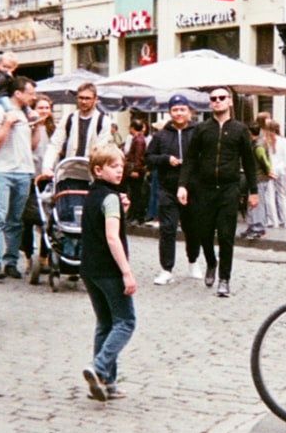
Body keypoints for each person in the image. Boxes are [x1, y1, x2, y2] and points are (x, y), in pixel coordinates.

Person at [178, 86, 258, 298]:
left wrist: (253, 191)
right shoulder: (202, 129)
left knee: (225, 235)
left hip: (229, 189)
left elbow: (249, 162)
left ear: (230, 101)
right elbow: (191, 159)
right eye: (213, 98)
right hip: (204, 189)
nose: (218, 101)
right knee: (204, 232)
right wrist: (182, 185)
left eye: (222, 98)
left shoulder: (240, 129)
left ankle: (224, 278)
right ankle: (211, 262)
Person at [79, 143, 136, 403]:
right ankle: (99, 367)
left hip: (89, 268)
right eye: (114, 167)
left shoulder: (92, 195)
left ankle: (107, 384)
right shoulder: (111, 198)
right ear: (98, 170)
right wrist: (126, 272)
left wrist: (122, 212)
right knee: (125, 322)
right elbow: (112, 238)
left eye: (122, 166)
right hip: (108, 269)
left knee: (105, 323)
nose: (120, 171)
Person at [0, 73, 37, 281]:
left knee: (15, 220)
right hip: (2, 172)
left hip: (24, 171)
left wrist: (37, 126)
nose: (34, 97)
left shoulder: (25, 113)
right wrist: (7, 124)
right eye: (30, 93)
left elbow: (30, 145)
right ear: (17, 93)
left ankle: (11, 262)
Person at [146, 94, 198, 285]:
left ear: (189, 111)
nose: (179, 113)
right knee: (167, 229)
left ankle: (193, 261)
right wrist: (166, 159)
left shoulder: (197, 132)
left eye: (182, 109)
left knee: (192, 229)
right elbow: (149, 158)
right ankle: (166, 269)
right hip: (167, 188)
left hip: (193, 189)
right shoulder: (161, 135)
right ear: (169, 113)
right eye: (175, 110)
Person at [41, 82, 108, 176]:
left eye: (87, 98)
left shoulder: (103, 121)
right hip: (70, 171)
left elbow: (100, 149)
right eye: (81, 98)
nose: (83, 101)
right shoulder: (68, 118)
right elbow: (55, 144)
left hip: (91, 174)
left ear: (95, 99)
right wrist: (47, 166)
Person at [23, 95, 56, 280]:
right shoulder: (28, 128)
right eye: (41, 108)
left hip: (48, 177)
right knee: (28, 219)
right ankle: (29, 256)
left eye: (47, 107)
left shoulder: (55, 129)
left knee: (47, 219)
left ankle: (44, 256)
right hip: (32, 176)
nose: (44, 111)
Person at [244, 119, 272, 240]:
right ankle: (252, 225)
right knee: (253, 202)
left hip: (259, 177)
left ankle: (258, 227)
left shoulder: (258, 145)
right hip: (257, 177)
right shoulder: (258, 143)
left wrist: (268, 171)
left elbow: (264, 161)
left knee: (257, 203)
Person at [266, 120, 286, 229]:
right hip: (282, 171)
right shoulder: (285, 142)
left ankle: (272, 220)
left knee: (270, 196)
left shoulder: (267, 142)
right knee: (283, 195)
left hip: (270, 170)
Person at [124, 119, 149, 225]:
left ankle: (137, 216)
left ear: (132, 128)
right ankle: (134, 216)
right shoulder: (139, 139)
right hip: (136, 169)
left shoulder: (138, 140)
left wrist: (135, 170)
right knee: (135, 194)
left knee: (136, 194)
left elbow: (138, 157)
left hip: (136, 170)